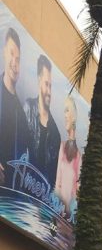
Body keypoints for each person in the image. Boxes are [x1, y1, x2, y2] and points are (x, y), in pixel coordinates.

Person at [25, 54, 60, 190]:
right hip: (18, 194)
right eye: (46, 84)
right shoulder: (27, 108)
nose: (49, 91)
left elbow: (52, 180)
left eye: (51, 86)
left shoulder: (55, 133)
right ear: (39, 80)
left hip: (40, 202)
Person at [0, 27, 30, 187]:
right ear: (4, 52)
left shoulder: (21, 115)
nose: (14, 62)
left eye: (18, 59)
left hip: (6, 201)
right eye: (12, 53)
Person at [54, 94, 81, 214]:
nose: (64, 115)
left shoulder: (79, 157)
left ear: (74, 116)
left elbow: (77, 190)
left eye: (67, 110)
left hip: (69, 219)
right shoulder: (62, 146)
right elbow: (57, 183)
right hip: (58, 212)